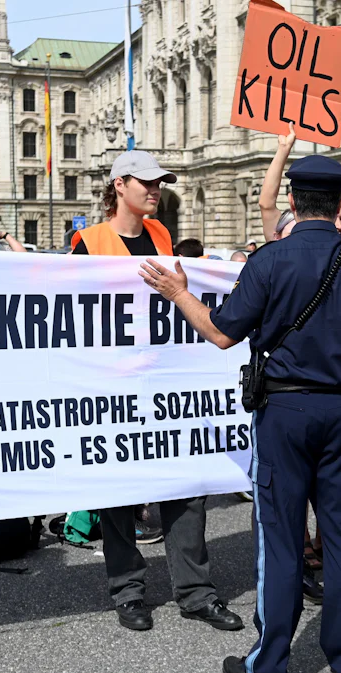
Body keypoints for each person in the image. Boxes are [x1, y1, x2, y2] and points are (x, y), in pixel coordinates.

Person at [139, 154, 341, 673]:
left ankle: (270, 661)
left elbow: (221, 332)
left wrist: (178, 292)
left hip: (284, 412)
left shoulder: (268, 260)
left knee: (279, 538)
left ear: (293, 202)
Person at [72, 149, 243, 633]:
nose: (156, 190)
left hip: (164, 378)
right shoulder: (87, 241)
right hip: (113, 381)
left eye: (160, 182)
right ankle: (128, 591)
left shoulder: (162, 235)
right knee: (119, 491)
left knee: (185, 486)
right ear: (119, 185)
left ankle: (196, 593)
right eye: (147, 182)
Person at [259, 123, 341, 241]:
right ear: (277, 236)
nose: (338, 226)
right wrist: (283, 149)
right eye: (291, 234)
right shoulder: (276, 251)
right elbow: (266, 205)